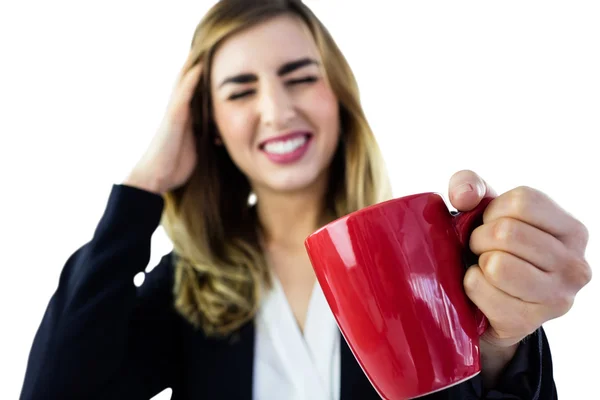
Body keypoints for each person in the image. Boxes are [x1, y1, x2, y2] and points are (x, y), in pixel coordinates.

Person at [20, 0, 591, 399]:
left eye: (299, 77)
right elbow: (56, 389)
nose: (277, 109)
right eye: (240, 91)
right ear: (208, 125)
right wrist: (143, 186)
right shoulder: (191, 284)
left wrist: (500, 350)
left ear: (337, 96)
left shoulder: (423, 259)